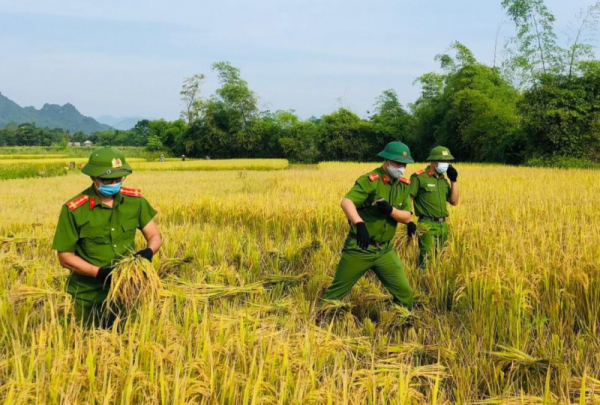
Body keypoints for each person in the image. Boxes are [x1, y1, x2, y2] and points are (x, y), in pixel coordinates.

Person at [52, 146, 162, 328]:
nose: (114, 183)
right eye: (107, 179)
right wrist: (99, 273)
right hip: (89, 295)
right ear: (93, 177)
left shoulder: (135, 202)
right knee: (88, 347)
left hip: (127, 291)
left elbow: (154, 235)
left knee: (131, 342)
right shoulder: (75, 209)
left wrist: (148, 252)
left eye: (118, 179)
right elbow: (65, 257)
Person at [321, 141, 416, 309]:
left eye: (404, 164)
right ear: (386, 161)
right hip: (361, 247)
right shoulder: (371, 180)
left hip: (385, 250)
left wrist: (390, 210)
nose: (401, 167)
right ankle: (319, 324)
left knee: (405, 294)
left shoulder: (403, 185)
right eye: (397, 163)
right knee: (334, 296)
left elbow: (407, 216)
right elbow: (346, 202)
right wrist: (360, 224)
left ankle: (399, 324)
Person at [409, 146, 459, 268]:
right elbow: (408, 199)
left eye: (448, 161)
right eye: (443, 161)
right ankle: (423, 282)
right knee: (427, 259)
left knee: (441, 259)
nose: (446, 164)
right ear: (433, 161)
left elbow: (454, 201)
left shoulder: (443, 181)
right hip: (427, 225)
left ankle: (436, 284)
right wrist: (409, 222)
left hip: (443, 225)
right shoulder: (419, 177)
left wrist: (454, 181)